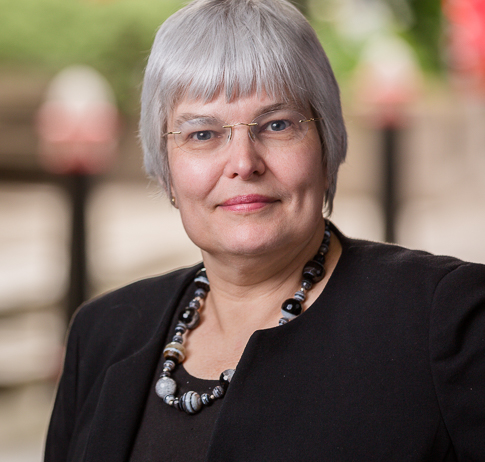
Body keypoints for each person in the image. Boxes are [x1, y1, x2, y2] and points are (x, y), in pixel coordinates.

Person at [44, 0, 485, 460]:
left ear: (327, 145)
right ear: (167, 169)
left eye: (277, 125)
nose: (243, 163)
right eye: (202, 133)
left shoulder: (447, 318)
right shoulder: (101, 333)